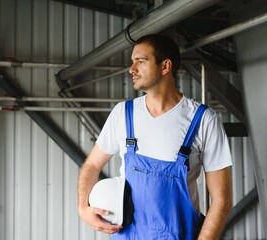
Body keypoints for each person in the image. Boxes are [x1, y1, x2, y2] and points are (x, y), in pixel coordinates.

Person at [77, 34, 233, 239]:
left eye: (140, 62)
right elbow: (92, 165)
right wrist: (83, 208)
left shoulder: (203, 120)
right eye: (132, 62)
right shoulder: (123, 113)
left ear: (165, 66)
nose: (131, 69)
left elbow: (222, 200)